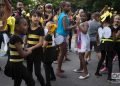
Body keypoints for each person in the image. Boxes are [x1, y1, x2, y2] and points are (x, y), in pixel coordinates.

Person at [4, 17, 35, 86]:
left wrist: (25, 48)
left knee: (18, 81)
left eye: (27, 25)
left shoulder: (16, 37)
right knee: (31, 82)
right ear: (17, 27)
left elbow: (18, 50)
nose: (27, 27)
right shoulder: (16, 38)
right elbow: (23, 55)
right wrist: (29, 51)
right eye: (25, 25)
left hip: (15, 64)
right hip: (16, 65)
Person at [55, 1, 77, 78]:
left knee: (62, 53)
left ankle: (59, 69)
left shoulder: (62, 15)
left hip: (60, 35)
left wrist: (70, 22)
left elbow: (60, 25)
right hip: (61, 36)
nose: (69, 7)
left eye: (69, 6)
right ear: (63, 7)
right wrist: (75, 26)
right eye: (67, 6)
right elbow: (65, 28)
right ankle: (58, 70)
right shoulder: (64, 16)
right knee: (62, 54)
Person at [26, 10, 45, 86]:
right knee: (29, 71)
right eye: (34, 16)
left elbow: (40, 43)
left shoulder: (41, 29)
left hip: (37, 53)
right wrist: (24, 46)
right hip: (29, 53)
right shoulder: (28, 28)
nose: (36, 18)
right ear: (30, 17)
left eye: (38, 16)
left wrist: (31, 48)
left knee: (37, 72)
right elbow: (26, 39)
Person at [75, 12, 90, 79]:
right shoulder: (81, 23)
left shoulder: (86, 23)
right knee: (80, 56)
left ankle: (86, 73)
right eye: (81, 16)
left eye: (84, 16)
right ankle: (81, 68)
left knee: (82, 57)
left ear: (87, 17)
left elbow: (85, 31)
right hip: (80, 41)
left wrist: (78, 25)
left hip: (84, 41)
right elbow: (78, 32)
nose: (82, 17)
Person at [43, 22, 57, 86]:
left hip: (48, 52)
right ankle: (53, 76)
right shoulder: (52, 33)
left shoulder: (48, 35)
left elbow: (44, 46)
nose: (45, 27)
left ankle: (48, 83)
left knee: (46, 67)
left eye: (46, 26)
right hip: (53, 51)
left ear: (49, 27)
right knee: (49, 65)